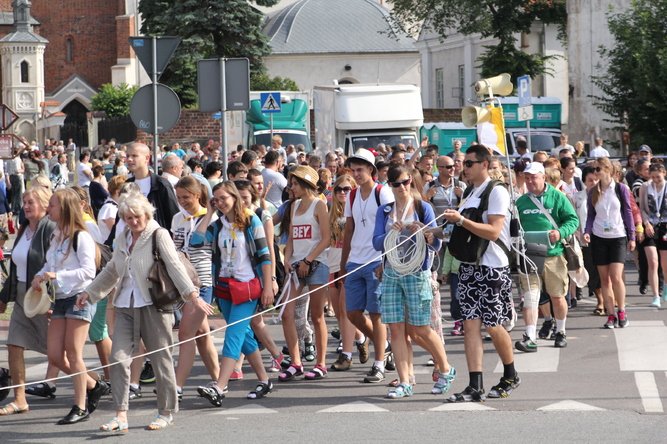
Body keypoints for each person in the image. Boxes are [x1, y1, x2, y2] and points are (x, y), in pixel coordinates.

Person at [78, 191, 205, 432]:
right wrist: (90, 292)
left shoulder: (158, 234)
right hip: (125, 304)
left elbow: (175, 266)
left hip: (154, 305)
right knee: (118, 359)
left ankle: (166, 411)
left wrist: (192, 296)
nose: (133, 221)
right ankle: (120, 414)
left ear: (147, 214)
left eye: (136, 216)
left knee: (161, 359)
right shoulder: (122, 236)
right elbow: (112, 270)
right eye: (127, 217)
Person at [442, 144, 519, 402]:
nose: (464, 168)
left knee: (493, 324)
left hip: (492, 267)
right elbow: (464, 232)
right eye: (464, 163)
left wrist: (461, 220)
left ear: (484, 164)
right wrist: (436, 232)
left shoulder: (496, 192)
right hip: (470, 266)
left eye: (469, 163)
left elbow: (494, 231)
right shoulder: (469, 192)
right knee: (469, 325)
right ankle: (475, 384)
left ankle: (511, 374)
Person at [373, 164, 456, 398]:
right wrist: (392, 232)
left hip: (417, 272)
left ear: (412, 181)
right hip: (391, 272)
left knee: (420, 328)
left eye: (406, 182)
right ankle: (404, 381)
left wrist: (426, 233)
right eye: (396, 184)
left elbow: (437, 243)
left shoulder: (423, 207)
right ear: (390, 185)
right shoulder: (385, 211)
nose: (402, 188)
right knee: (396, 329)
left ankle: (446, 368)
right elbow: (377, 243)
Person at [193, 181, 274, 406]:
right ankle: (264, 380)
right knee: (244, 336)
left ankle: (219, 387)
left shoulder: (250, 220)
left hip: (247, 287)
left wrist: (268, 286)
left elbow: (264, 256)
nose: (220, 203)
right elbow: (196, 242)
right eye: (216, 200)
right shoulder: (217, 225)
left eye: (223, 198)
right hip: (225, 288)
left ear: (234, 197)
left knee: (233, 335)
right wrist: (209, 213)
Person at [31, 189, 108, 424]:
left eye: (52, 205)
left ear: (64, 208)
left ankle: (80, 405)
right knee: (55, 355)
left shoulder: (81, 236)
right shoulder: (57, 235)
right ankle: (93, 385)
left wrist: (57, 276)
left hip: (79, 297)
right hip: (61, 298)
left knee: (74, 353)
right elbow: (48, 263)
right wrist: (40, 275)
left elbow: (88, 271)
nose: (48, 209)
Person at [0, 187, 57, 415]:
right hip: (23, 296)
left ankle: (93, 384)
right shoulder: (24, 229)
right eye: (24, 202)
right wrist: (4, 296)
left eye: (30, 202)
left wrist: (53, 301)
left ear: (44, 205)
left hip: (42, 296)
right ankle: (19, 399)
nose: (25, 206)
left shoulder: (50, 228)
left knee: (57, 355)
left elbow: (54, 265)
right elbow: (15, 267)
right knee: (14, 344)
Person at [340, 148, 395, 383]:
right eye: (353, 170)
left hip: (376, 260)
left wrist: (387, 259)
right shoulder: (351, 196)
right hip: (355, 260)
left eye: (360, 169)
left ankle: (379, 363)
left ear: (371, 170)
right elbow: (349, 229)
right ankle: (387, 346)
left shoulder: (382, 192)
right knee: (352, 313)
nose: (356, 174)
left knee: (376, 314)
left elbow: (393, 225)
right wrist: (344, 262)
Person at [514, 162, 579, 352]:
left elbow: (573, 220)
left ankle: (560, 331)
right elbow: (513, 225)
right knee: (531, 298)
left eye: (533, 177)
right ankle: (530, 336)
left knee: (557, 297)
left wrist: (560, 233)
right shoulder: (520, 202)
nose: (530, 181)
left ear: (543, 177)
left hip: (553, 255)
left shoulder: (557, 197)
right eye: (527, 178)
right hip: (529, 256)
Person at [278, 166, 331, 382]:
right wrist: (287, 259)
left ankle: (320, 363)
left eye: (295, 183)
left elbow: (326, 238)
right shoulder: (294, 206)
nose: (291, 187)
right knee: (287, 314)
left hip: (317, 263)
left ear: (306, 183)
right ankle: (296, 362)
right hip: (296, 265)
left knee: (317, 316)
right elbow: (291, 237)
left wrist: (309, 260)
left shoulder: (320, 205)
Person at [171, 176, 220, 398]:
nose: (182, 201)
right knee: (201, 334)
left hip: (203, 282)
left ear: (198, 195)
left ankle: (177, 387)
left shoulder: (212, 219)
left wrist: (207, 213)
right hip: (183, 281)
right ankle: (220, 381)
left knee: (186, 333)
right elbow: (175, 248)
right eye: (179, 197)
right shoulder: (177, 219)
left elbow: (202, 244)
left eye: (186, 197)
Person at [584, 157, 636, 328]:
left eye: (598, 169)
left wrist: (632, 236)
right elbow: (591, 214)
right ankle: (611, 314)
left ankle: (621, 310)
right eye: (594, 169)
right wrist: (587, 231)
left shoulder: (621, 189)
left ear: (607, 169)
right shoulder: (593, 191)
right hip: (599, 237)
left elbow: (627, 212)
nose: (596, 172)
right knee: (604, 280)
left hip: (618, 236)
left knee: (616, 277)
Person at [328, 174, 361, 371]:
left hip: (349, 263)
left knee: (346, 310)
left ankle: (346, 354)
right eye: (338, 189)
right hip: (332, 263)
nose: (342, 192)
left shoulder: (356, 210)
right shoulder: (329, 209)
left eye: (346, 189)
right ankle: (362, 337)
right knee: (340, 313)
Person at [125, 142, 179, 230]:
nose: (129, 159)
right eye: (127, 156)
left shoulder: (161, 184)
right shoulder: (127, 185)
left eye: (134, 156)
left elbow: (174, 217)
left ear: (147, 158)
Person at [638, 163, 667, 308]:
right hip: (650, 226)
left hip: (665, 226)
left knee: (665, 263)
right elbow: (642, 207)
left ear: (664, 173)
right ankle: (655, 295)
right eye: (653, 176)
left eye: (658, 177)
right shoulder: (645, 187)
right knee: (653, 262)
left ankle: (666, 287)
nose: (655, 179)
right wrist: (646, 223)